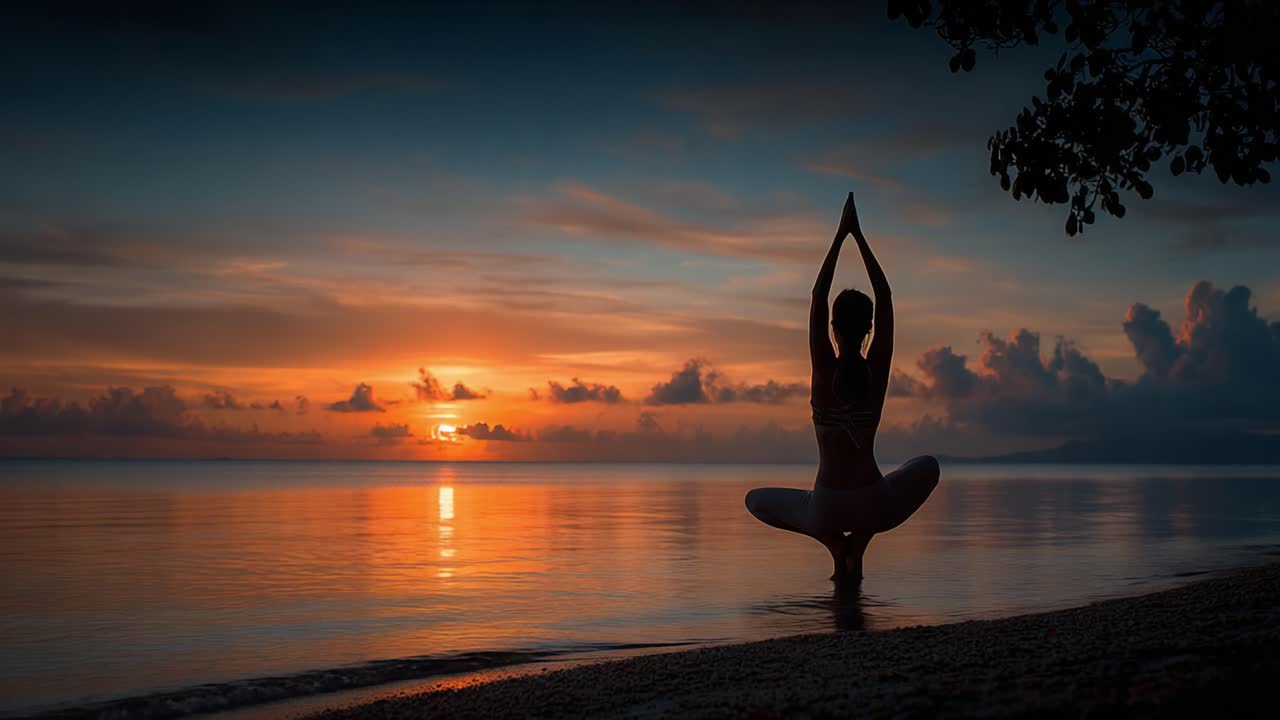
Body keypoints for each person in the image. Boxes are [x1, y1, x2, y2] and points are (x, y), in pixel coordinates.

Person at [745, 192, 939, 583]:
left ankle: (836, 547)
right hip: (873, 505)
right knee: (927, 466)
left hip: (827, 508)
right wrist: (859, 237)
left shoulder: (822, 372)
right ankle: (858, 545)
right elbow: (884, 297)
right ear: (869, 330)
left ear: (833, 330)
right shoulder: (876, 375)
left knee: (755, 500)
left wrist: (840, 235)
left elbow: (818, 296)